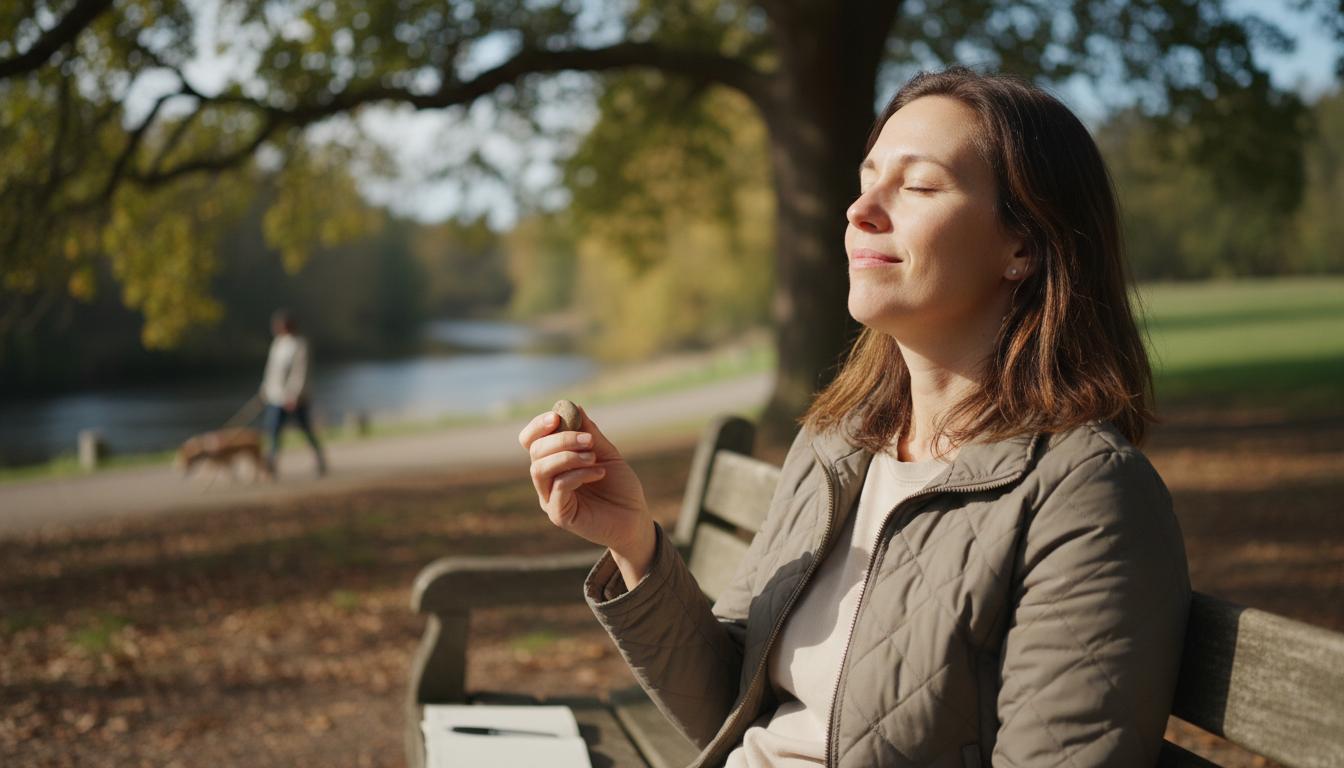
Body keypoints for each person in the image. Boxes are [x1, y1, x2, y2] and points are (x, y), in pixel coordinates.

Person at [520, 67, 1190, 767]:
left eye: (919, 185)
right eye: (867, 178)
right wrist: (634, 543)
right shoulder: (837, 444)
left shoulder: (1083, 495)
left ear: (1022, 246)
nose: (861, 209)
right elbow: (728, 707)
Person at [260, 309, 327, 478]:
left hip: (295, 399)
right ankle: (272, 463)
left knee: (306, 429)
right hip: (276, 397)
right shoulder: (277, 343)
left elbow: (300, 372)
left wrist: (294, 395)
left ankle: (320, 459)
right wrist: (265, 389)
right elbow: (272, 370)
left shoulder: (300, 344)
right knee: (273, 430)